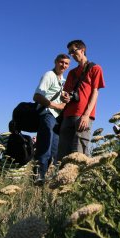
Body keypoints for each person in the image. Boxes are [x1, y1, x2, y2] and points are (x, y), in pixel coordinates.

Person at [57, 40, 105, 160]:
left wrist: (86, 115)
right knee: (63, 156)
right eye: (70, 52)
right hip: (67, 116)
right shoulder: (72, 73)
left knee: (79, 155)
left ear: (82, 50)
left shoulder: (95, 68)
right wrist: (65, 97)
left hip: (83, 116)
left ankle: (82, 179)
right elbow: (66, 93)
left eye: (73, 51)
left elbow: (95, 92)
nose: (71, 55)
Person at [33, 54, 70, 183]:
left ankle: (46, 180)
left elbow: (64, 102)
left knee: (54, 152)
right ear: (55, 62)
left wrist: (65, 102)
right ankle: (38, 180)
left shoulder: (64, 81)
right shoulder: (49, 75)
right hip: (48, 115)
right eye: (61, 62)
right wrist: (57, 105)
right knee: (45, 149)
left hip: (57, 119)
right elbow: (37, 96)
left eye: (66, 64)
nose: (63, 65)